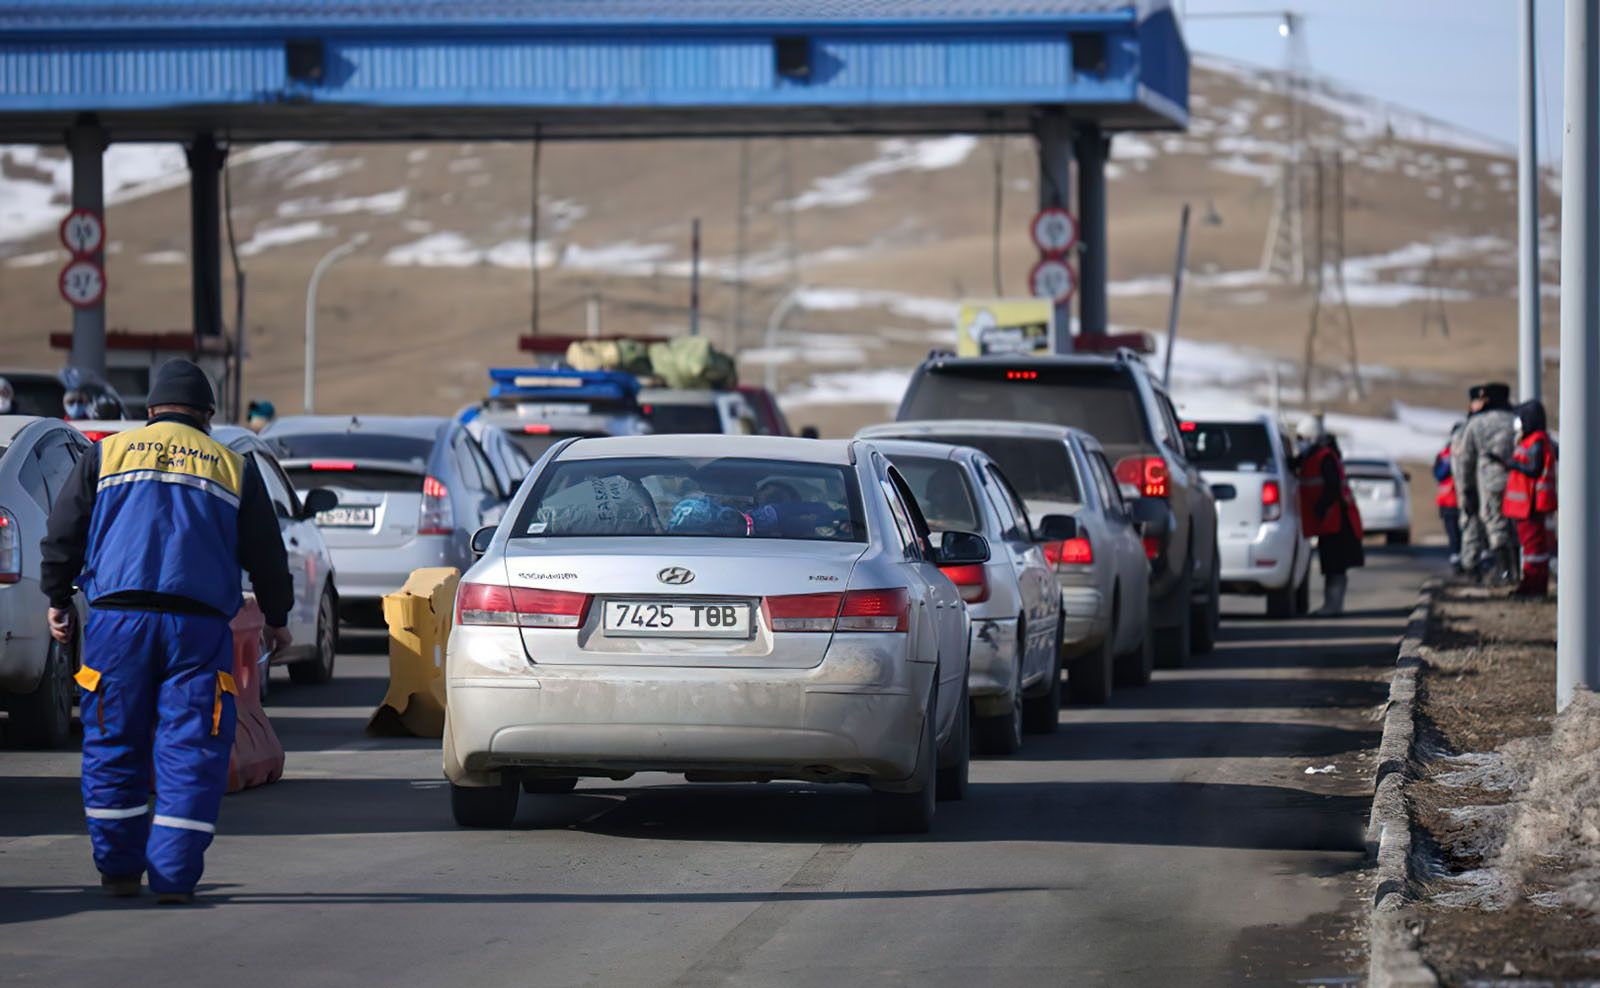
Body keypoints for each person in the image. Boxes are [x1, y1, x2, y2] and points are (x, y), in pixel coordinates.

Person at [38, 359, 293, 904]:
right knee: (191, 750)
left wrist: (58, 601)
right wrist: (277, 619)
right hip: (196, 632)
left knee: (112, 743)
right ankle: (174, 878)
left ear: (149, 411)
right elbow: (268, 557)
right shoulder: (233, 466)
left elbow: (63, 533)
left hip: (114, 626)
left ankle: (118, 869)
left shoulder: (105, 454)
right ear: (207, 415)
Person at [1294, 415, 1364, 616]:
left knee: (1335, 565)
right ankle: (1332, 605)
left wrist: (1321, 507)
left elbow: (1332, 487)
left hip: (1338, 521)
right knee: (1332, 564)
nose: (1300, 442)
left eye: (1303, 438)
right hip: (1330, 521)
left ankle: (1333, 606)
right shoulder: (1313, 456)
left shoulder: (1325, 457)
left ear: (1313, 438)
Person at [1454, 382, 1518, 584]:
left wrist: (1466, 490)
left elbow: (1465, 460)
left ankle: (1504, 571)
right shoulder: (1516, 420)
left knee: (1496, 524)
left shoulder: (1477, 423)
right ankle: (1516, 570)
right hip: (1518, 480)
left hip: (1490, 481)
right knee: (1516, 526)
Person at [1501, 399, 1557, 597]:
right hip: (1526, 505)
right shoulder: (1533, 439)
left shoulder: (1537, 441)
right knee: (1532, 547)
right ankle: (1531, 584)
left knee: (1534, 548)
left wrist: (1512, 465)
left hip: (1530, 505)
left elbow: (1533, 469)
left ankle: (1534, 585)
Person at [1434, 424, 1464, 570]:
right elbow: (1438, 474)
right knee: (1453, 533)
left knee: (1465, 532)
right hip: (1447, 502)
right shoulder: (1444, 454)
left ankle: (1466, 558)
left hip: (1464, 500)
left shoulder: (1468, 451)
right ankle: (1455, 557)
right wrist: (1450, 461)